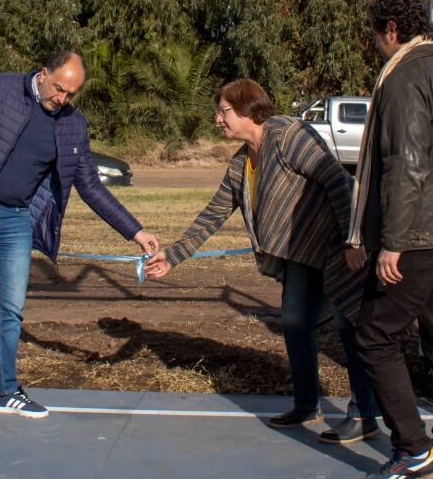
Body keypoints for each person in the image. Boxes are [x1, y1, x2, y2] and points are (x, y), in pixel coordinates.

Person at [0, 51, 159, 430]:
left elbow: (90, 186)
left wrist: (135, 230)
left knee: (10, 309)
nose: (62, 99)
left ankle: (4, 391)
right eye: (59, 88)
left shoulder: (73, 125)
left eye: (71, 94)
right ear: (44, 74)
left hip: (15, 220)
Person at [145, 79, 380, 444]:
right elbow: (213, 214)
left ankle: (364, 415)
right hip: (301, 256)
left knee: (351, 326)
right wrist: (172, 256)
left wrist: (353, 239)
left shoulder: (288, 135)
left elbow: (337, 182)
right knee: (294, 321)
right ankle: (306, 405)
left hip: (339, 248)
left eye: (223, 110)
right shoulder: (241, 163)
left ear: (246, 109)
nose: (217, 119)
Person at [350, 0, 433, 479]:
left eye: (375, 35)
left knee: (374, 335)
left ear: (392, 31)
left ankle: (411, 449)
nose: (375, 46)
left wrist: (394, 243)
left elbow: (405, 165)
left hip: (419, 241)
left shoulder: (404, 79)